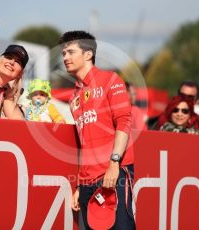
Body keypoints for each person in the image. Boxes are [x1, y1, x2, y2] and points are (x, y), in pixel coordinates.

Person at [59, 31, 135, 229]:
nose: (65, 57)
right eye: (63, 53)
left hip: (113, 172)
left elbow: (124, 122)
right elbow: (84, 142)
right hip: (86, 181)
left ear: (88, 54)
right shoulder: (73, 97)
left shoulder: (110, 79)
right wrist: (79, 185)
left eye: (70, 52)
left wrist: (114, 163)